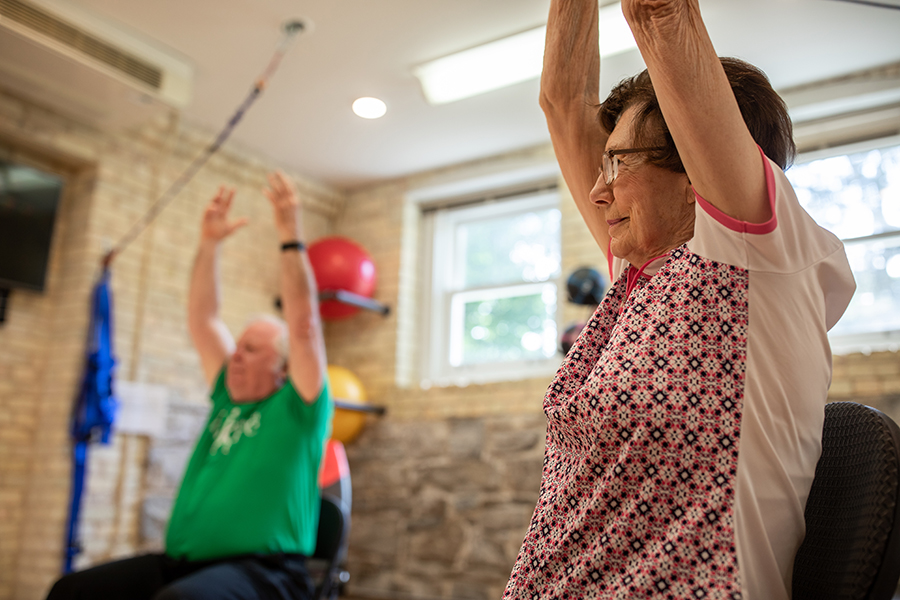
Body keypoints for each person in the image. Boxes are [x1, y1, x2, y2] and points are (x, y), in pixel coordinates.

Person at [503, 1, 856, 599]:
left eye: (618, 162)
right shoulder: (639, 272)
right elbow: (564, 103)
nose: (596, 188)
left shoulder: (747, 251)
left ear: (696, 170)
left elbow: (661, 12)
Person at [47, 171, 332, 600]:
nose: (236, 354)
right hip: (183, 564)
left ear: (284, 370)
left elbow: (304, 324)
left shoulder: (299, 410)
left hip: (265, 574)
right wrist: (209, 244)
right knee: (71, 591)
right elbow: (204, 318)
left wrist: (290, 235)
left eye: (253, 350)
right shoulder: (225, 398)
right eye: (237, 346)